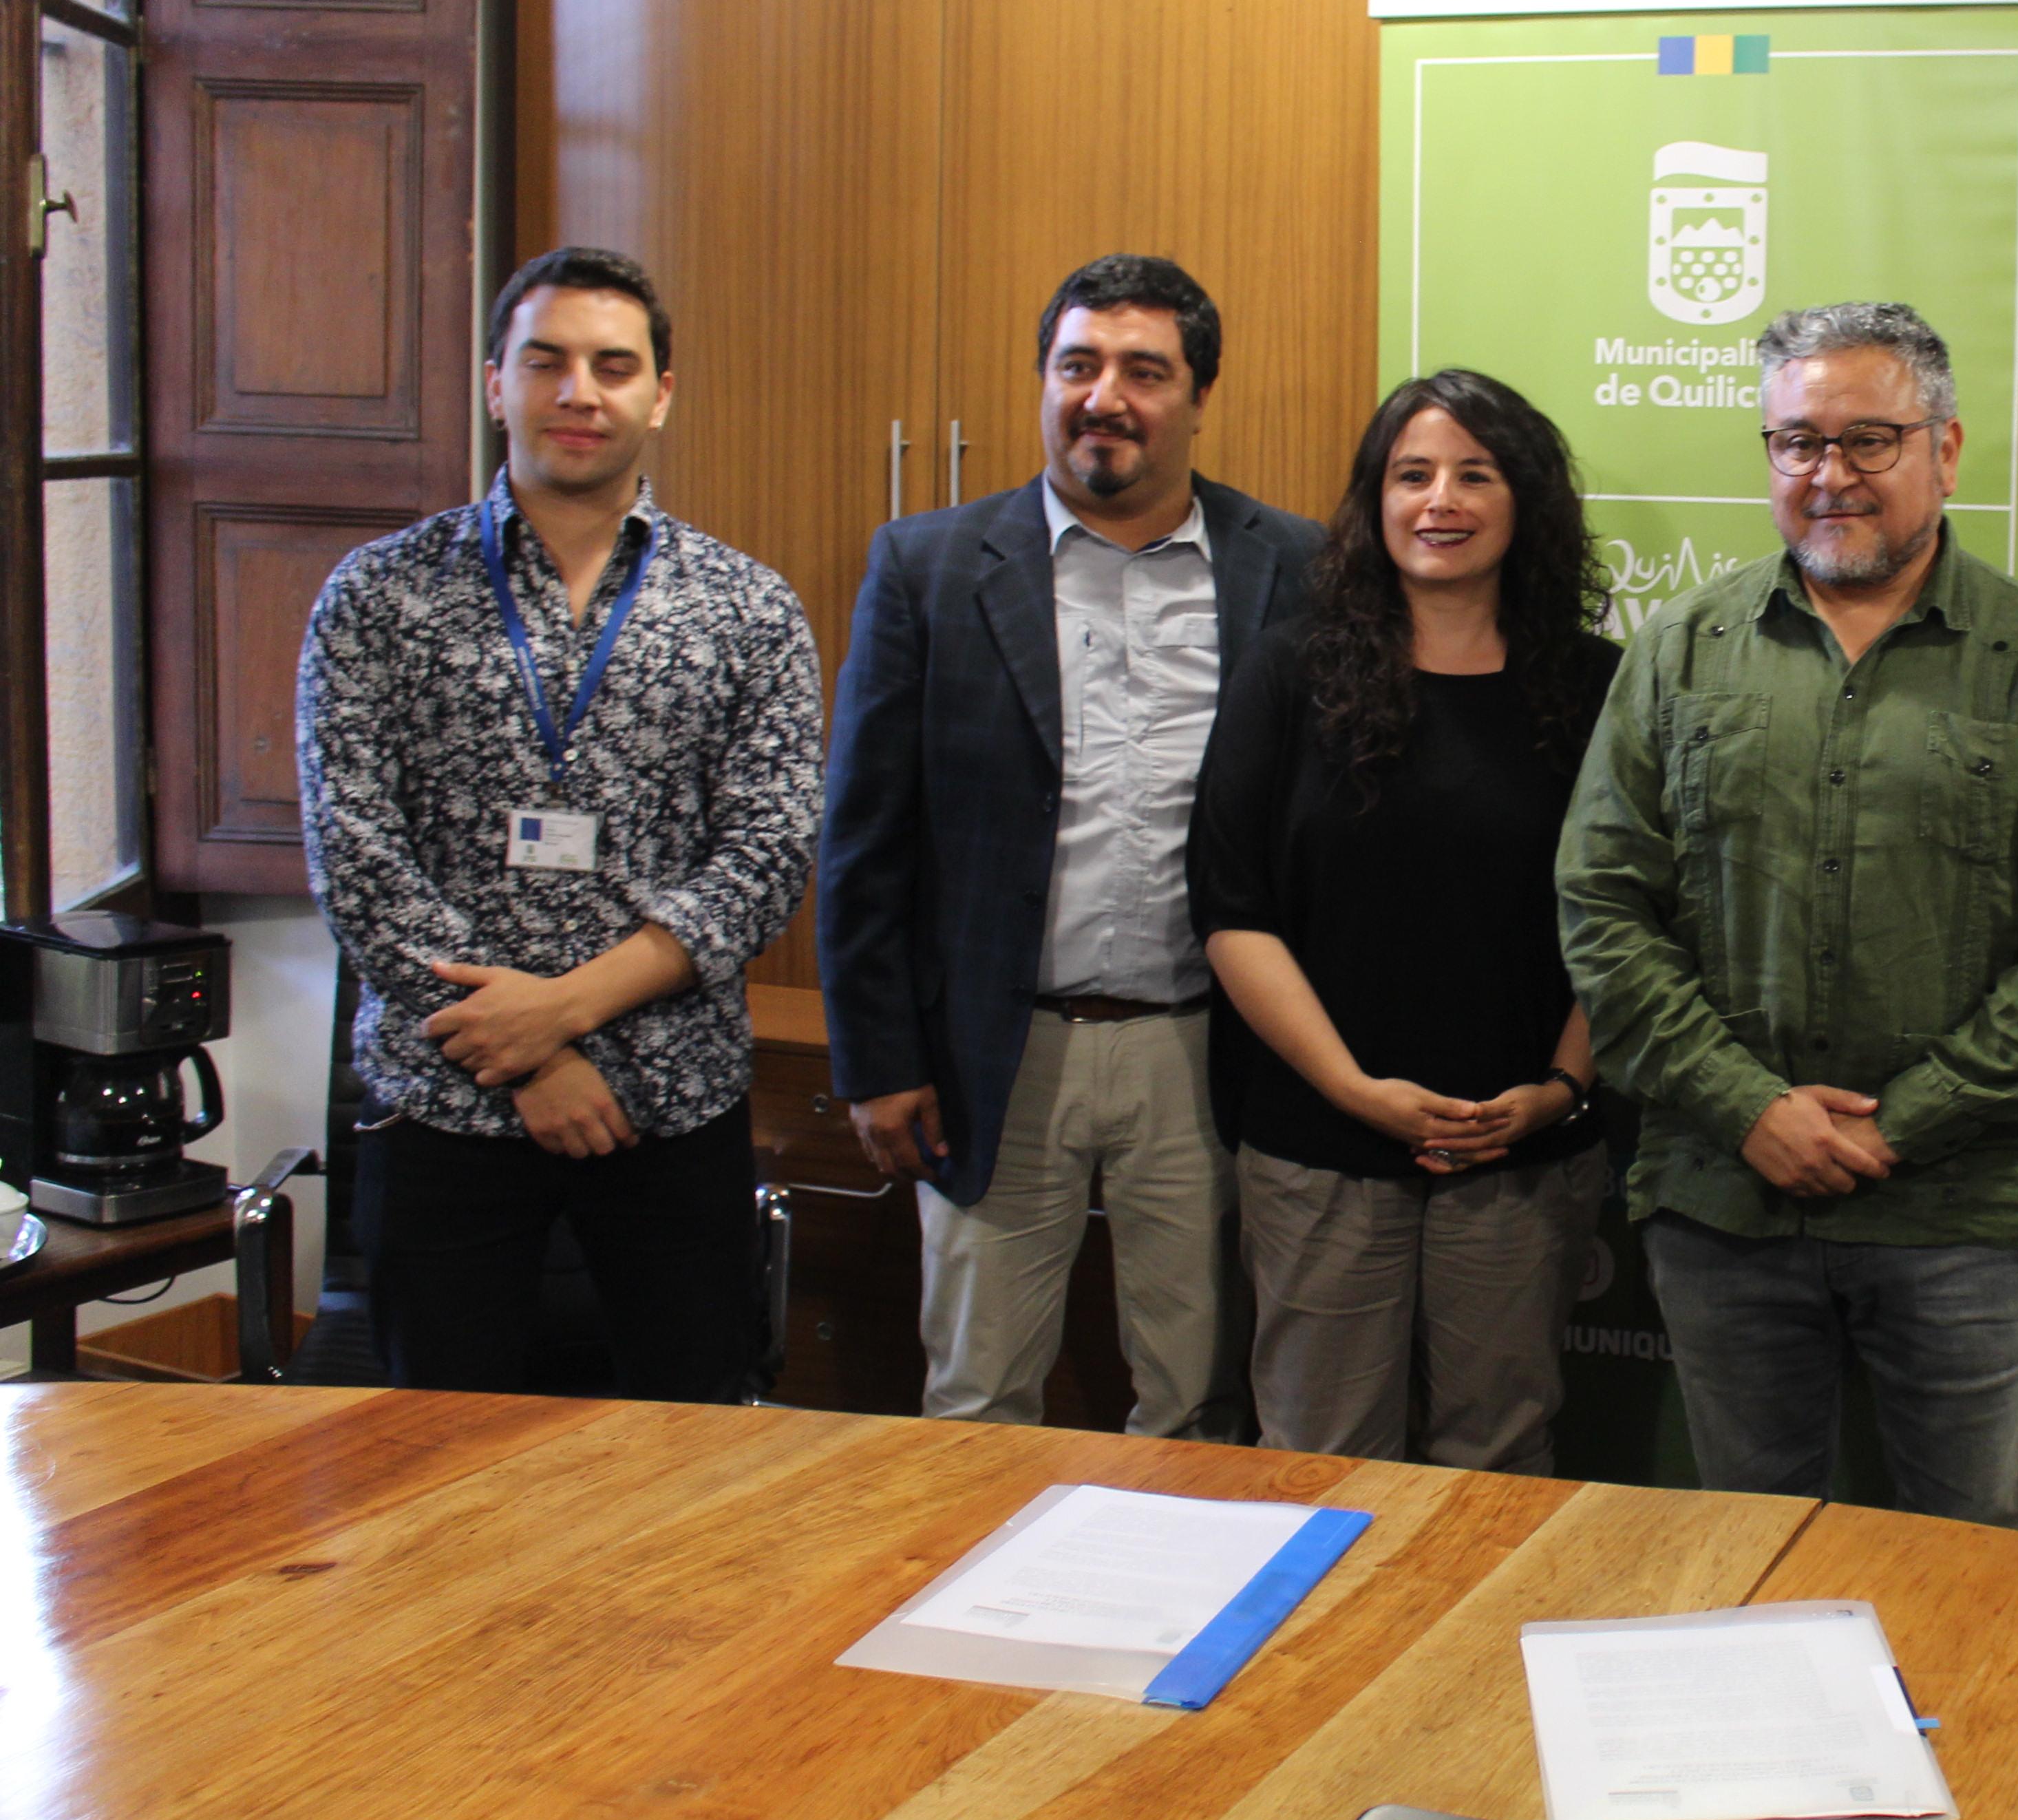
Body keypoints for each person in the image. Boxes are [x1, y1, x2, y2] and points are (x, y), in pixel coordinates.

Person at [1557, 299, 2018, 1531]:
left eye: (1868, 441)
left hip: (1969, 1212)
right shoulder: (1678, 651)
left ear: (1946, 450)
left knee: (1974, 1558)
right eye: (1796, 444)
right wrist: (1751, 1109)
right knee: (1752, 1552)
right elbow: (1605, 906)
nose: (1829, 476)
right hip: (1727, 1200)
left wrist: (1904, 1125)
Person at [297, 246, 820, 1401]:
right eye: (548, 362)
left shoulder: (748, 609)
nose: (579, 391)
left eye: (613, 366)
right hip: (446, 1109)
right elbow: (355, 850)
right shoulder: (379, 595)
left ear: (661, 396)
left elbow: (770, 854)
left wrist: (565, 1013)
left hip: (671, 1107)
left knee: (680, 1465)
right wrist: (515, 1053)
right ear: (498, 384)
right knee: (433, 1471)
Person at [818, 253, 1321, 1436]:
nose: (1105, 397)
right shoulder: (928, 565)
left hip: (1203, 1054)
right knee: (978, 1392)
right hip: (997, 1057)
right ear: (1042, 381)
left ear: (1198, 397)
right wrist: (876, 1057)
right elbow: (864, 835)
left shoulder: (1292, 568)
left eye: (1145, 371)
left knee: (1198, 1395)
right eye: (1078, 365)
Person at [1190, 370, 1619, 1472]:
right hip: (1320, 1144)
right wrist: (1351, 1091)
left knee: (1500, 1456)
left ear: (1524, 500)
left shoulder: (1596, 687)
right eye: (1412, 474)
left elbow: (1632, 920)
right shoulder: (1290, 671)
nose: (1442, 499)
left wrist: (1560, 1093)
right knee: (1318, 1458)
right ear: (1374, 503)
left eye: (1476, 474)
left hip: (1520, 1151)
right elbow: (1233, 910)